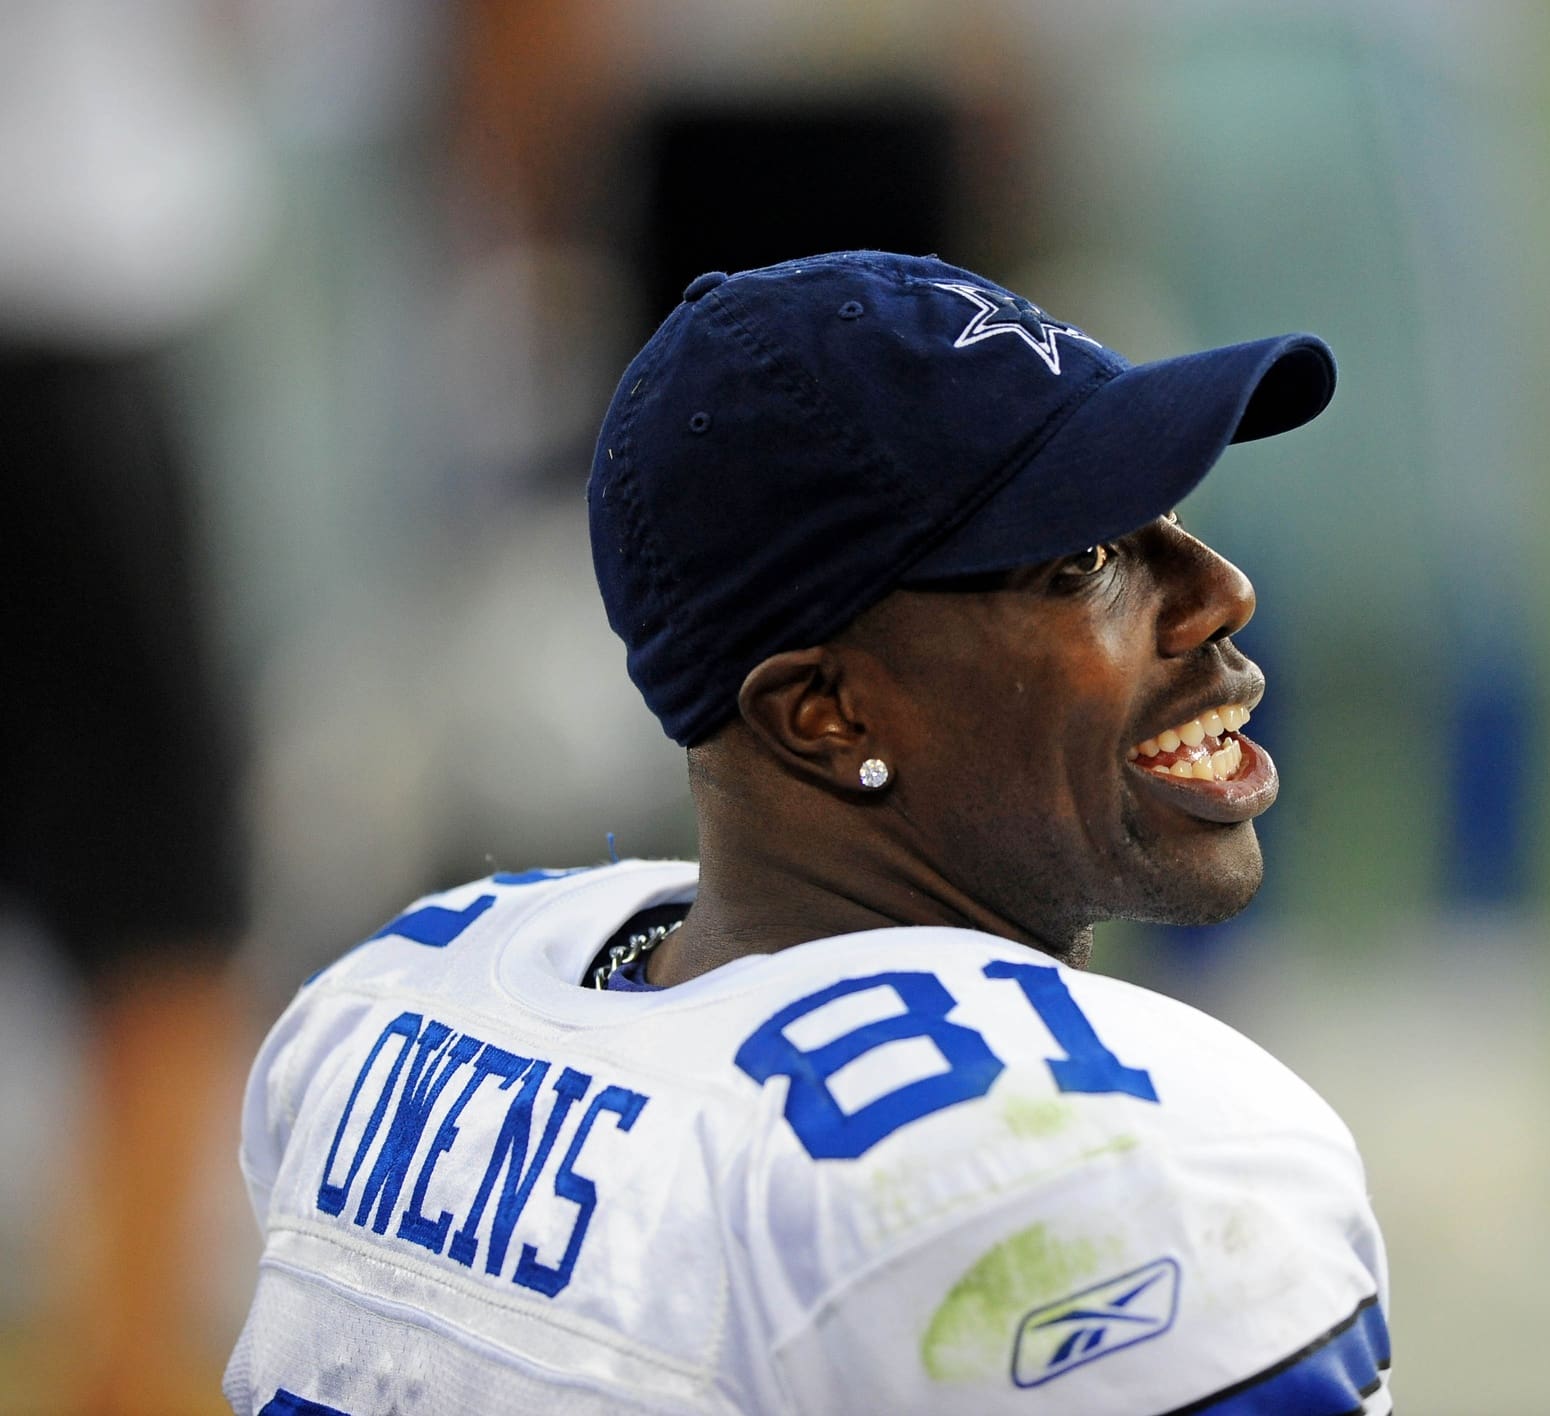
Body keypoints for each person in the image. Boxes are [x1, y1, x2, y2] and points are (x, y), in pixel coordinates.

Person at [222, 251, 1392, 1415]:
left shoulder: (390, 1008)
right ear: (825, 713)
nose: (1220, 590)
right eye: (1082, 561)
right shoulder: (1097, 1163)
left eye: (1169, 517)